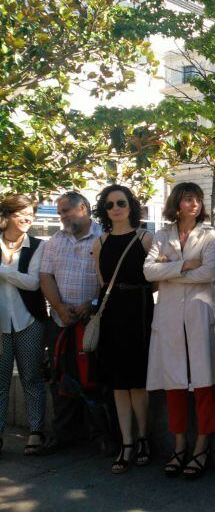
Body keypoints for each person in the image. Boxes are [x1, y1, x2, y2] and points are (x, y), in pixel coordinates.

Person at [144, 183, 215, 479]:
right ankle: (179, 445)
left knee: (203, 383)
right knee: (174, 383)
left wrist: (170, 269)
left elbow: (209, 273)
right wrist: (185, 265)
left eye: (198, 199)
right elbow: (148, 271)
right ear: (177, 203)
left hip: (200, 313)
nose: (195, 204)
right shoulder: (161, 235)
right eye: (189, 199)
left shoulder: (210, 235)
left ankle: (202, 445)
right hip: (170, 316)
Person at [39, 191, 112, 455]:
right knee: (61, 380)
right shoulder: (55, 242)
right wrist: (59, 306)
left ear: (83, 208)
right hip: (61, 321)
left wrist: (91, 304)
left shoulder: (104, 237)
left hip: (95, 321)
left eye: (65, 211)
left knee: (96, 379)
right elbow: (45, 276)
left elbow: (111, 279)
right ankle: (63, 435)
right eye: (59, 213)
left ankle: (103, 436)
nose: (62, 217)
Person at [92, 185, 154, 474]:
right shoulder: (100, 242)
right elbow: (102, 280)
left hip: (139, 310)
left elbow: (153, 281)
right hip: (112, 312)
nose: (116, 208)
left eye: (121, 202)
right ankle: (126, 443)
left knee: (137, 380)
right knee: (118, 382)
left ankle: (143, 438)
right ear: (104, 210)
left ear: (131, 205)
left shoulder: (145, 238)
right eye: (109, 204)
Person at [0, 195, 47, 456]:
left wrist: (3, 270)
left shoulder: (37, 246)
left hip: (29, 320)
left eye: (31, 213)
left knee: (31, 377)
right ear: (8, 215)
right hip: (0, 325)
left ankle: (36, 431)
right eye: (22, 213)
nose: (28, 218)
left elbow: (32, 283)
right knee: (0, 381)